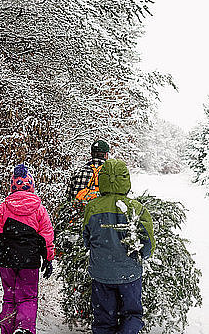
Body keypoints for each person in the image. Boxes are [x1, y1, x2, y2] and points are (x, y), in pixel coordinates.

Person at [82, 159, 156, 334]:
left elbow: (86, 238)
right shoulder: (136, 208)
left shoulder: (92, 208)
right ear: (125, 180)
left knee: (103, 319)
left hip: (101, 273)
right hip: (129, 275)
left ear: (102, 179)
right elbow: (148, 241)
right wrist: (141, 256)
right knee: (132, 315)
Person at [0, 163, 55, 334]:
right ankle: (24, 328)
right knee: (28, 296)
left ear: (12, 187)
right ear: (31, 186)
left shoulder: (3, 208)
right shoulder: (39, 210)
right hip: (30, 260)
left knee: (9, 297)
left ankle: (7, 329)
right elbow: (47, 237)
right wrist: (48, 259)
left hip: (6, 259)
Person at [66, 139, 110, 204]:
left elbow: (68, 196)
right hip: (103, 212)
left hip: (81, 212)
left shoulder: (79, 171)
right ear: (106, 155)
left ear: (91, 154)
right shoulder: (111, 172)